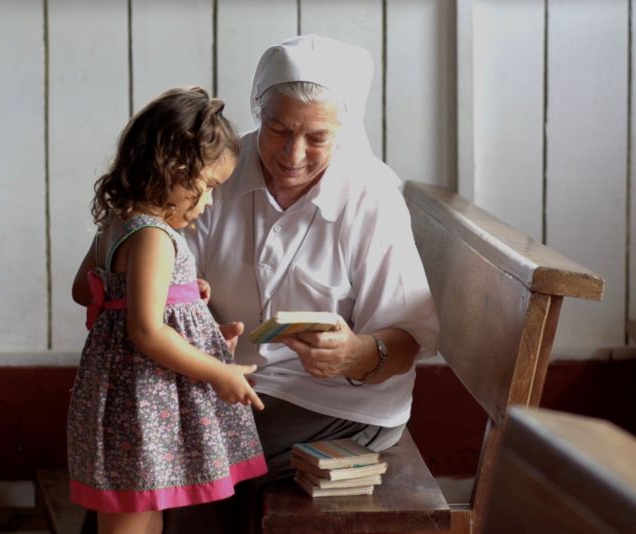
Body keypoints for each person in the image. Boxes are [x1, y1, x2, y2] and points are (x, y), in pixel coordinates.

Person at [165, 34, 441, 533]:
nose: (293, 153)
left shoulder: (370, 197)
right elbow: (167, 275)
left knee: (179, 458)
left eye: (317, 138)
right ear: (257, 116)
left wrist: (354, 354)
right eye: (278, 129)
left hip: (336, 405)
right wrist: (201, 334)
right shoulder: (219, 173)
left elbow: (406, 340)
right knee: (149, 442)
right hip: (225, 380)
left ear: (343, 130)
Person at [67, 86, 268, 534]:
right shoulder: (156, 235)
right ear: (173, 170)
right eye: (207, 187)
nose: (210, 201)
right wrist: (220, 373)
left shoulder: (115, 222)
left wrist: (177, 300)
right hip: (141, 407)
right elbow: (146, 332)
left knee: (141, 511)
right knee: (134, 520)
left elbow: (87, 290)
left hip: (118, 398)